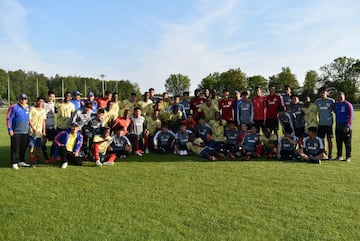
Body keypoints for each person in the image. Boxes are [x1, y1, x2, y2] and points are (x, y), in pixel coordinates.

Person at [6, 93, 31, 169]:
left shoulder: (28, 108)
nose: (23, 100)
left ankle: (21, 161)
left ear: (27, 100)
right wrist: (10, 129)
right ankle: (14, 162)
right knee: (15, 148)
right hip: (16, 131)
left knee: (23, 147)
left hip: (26, 131)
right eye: (22, 99)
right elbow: (8, 119)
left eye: (25, 99)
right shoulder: (14, 107)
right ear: (19, 99)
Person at [314, 86, 335, 159]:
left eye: (323, 92)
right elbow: (314, 111)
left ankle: (330, 154)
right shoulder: (317, 101)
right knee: (322, 139)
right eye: (321, 93)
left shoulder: (331, 101)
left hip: (329, 124)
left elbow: (335, 111)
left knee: (329, 140)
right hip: (321, 124)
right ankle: (323, 153)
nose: (322, 94)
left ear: (326, 93)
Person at [334, 92, 354, 162]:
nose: (339, 99)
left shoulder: (348, 104)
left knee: (347, 143)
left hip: (346, 127)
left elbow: (351, 116)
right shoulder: (336, 104)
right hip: (338, 126)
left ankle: (348, 157)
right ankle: (339, 156)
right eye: (338, 97)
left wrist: (347, 125)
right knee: (338, 142)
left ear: (344, 97)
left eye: (341, 97)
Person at [28, 97, 46, 164]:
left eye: (42, 101)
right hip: (32, 131)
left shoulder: (43, 110)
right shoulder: (32, 109)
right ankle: (31, 158)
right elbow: (29, 120)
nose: (40, 103)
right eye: (39, 101)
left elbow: (44, 121)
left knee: (38, 146)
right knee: (31, 146)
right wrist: (33, 128)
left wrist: (44, 131)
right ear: (37, 101)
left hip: (39, 132)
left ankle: (38, 159)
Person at [42, 91, 56, 162]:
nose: (51, 98)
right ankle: (46, 158)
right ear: (48, 96)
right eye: (50, 96)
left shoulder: (54, 104)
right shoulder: (44, 104)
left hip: (52, 127)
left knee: (54, 142)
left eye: (53, 97)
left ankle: (51, 157)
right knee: (43, 142)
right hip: (45, 127)